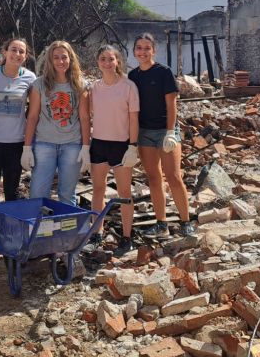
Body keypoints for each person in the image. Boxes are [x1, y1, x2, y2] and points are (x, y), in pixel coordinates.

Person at [129, 34, 196, 239]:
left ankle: (185, 222)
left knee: (174, 176)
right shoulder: (132, 77)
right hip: (144, 133)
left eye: (147, 48)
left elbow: (171, 104)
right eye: (139, 48)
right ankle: (161, 223)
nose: (143, 52)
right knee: (153, 177)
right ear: (134, 51)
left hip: (165, 131)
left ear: (153, 50)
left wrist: (170, 132)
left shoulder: (163, 72)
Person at [83, 44, 139, 257]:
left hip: (121, 145)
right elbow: (86, 117)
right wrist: (85, 146)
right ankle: (97, 233)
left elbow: (134, 118)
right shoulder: (93, 88)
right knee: (98, 190)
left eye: (111, 59)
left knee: (124, 193)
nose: (107, 63)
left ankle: (126, 237)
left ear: (118, 61)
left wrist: (133, 147)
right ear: (98, 62)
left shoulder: (128, 86)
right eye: (103, 59)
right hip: (99, 144)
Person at [22, 41, 90, 205]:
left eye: (64, 57)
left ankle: (67, 230)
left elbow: (85, 118)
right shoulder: (39, 84)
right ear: (50, 61)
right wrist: (27, 147)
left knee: (67, 194)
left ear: (71, 59)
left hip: (72, 145)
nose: (60, 61)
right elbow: (32, 116)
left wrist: (86, 147)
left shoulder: (81, 84)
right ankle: (38, 228)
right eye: (56, 57)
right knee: (38, 193)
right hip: (44, 144)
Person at [0, 38, 37, 205]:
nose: (17, 54)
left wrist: (28, 146)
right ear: (5, 52)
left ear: (26, 56)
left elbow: (33, 111)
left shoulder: (30, 78)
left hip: (16, 142)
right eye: (13, 49)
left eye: (21, 51)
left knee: (11, 190)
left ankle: (10, 227)